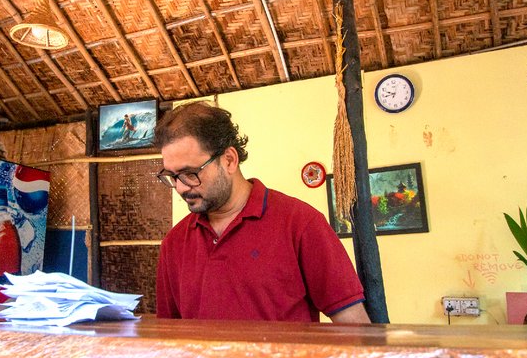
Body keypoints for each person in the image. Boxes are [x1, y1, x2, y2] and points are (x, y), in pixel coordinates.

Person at [153, 101, 369, 323]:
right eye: (172, 176)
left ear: (229, 160)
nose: (180, 187)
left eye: (189, 173)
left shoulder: (300, 223)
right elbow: (169, 332)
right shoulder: (174, 243)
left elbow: (354, 325)